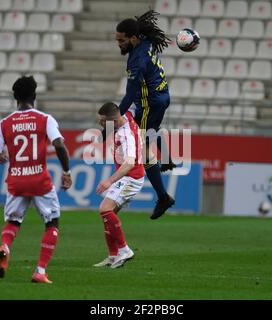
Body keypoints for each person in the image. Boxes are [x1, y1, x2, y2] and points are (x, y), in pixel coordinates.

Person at [0, 76, 72, 284]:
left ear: (15, 97)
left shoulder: (4, 123)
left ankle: (5, 246)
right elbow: (59, 144)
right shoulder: (45, 119)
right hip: (39, 180)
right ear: (34, 95)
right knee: (52, 222)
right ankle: (40, 271)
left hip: (16, 181)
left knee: (13, 221)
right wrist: (66, 171)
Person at [115, 9, 175, 220]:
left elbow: (130, 94)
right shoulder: (145, 42)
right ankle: (167, 158)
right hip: (161, 96)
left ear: (132, 38)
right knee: (149, 131)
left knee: (143, 149)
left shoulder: (136, 60)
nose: (119, 44)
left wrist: (112, 120)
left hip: (150, 101)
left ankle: (163, 197)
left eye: (121, 40)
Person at [94, 102, 144, 268]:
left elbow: (129, 163)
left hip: (131, 176)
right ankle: (113, 256)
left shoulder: (126, 135)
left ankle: (124, 250)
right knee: (108, 216)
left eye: (102, 122)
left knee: (105, 209)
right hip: (128, 175)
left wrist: (109, 181)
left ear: (113, 122)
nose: (100, 125)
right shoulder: (126, 115)